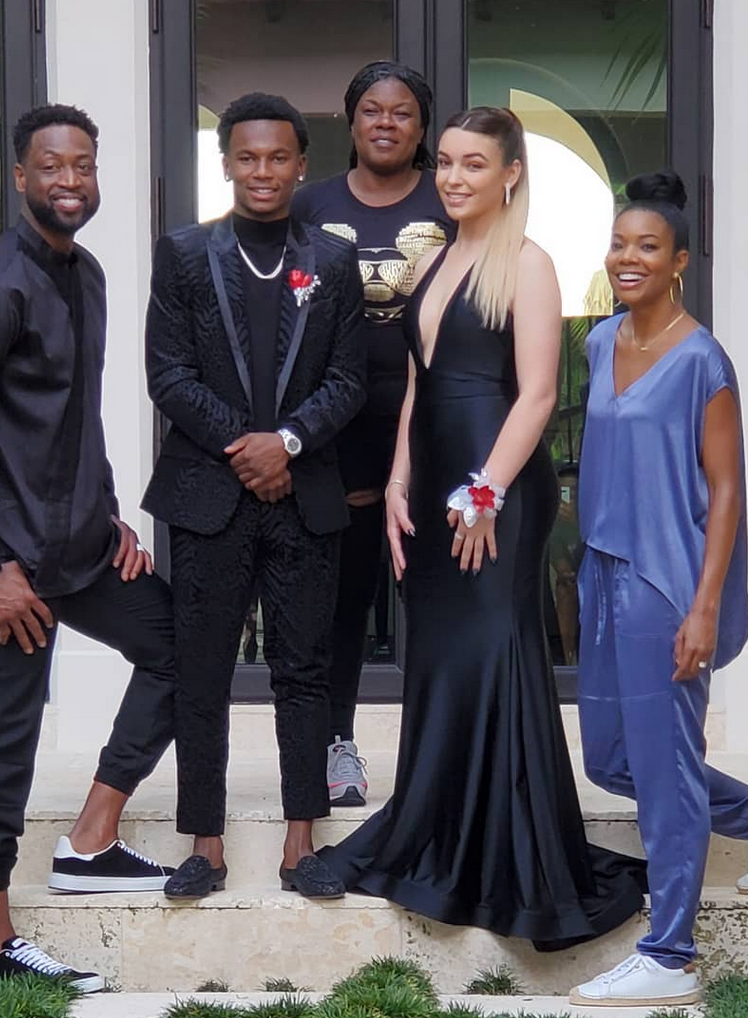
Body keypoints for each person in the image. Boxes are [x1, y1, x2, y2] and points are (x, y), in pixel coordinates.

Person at [318, 107, 647, 946]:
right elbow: (417, 385)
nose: (454, 177)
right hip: (433, 481)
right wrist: (398, 481)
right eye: (446, 163)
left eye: (473, 164)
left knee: (491, 649)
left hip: (493, 485)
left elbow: (536, 395)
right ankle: (439, 823)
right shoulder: (435, 258)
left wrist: (485, 492)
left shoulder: (528, 264)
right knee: (440, 656)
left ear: (509, 174)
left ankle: (505, 853)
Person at [0, 104, 178, 993]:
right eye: (53, 166)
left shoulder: (86, 275)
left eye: (84, 165)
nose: (71, 180)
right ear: (21, 177)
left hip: (81, 547)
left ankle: (92, 839)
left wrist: (110, 517)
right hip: (10, 566)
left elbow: (72, 422)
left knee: (183, 645)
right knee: (0, 745)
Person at [570, 171, 748, 1008]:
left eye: (647, 246)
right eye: (619, 244)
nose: (628, 258)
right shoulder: (598, 342)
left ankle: (670, 954)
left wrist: (704, 605)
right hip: (601, 570)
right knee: (613, 760)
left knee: (664, 767)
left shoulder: (700, 359)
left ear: (678, 261)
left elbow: (725, 490)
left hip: (666, 582)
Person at [143, 93, 365, 901]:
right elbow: (167, 374)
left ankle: (301, 845)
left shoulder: (332, 263)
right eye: (247, 157)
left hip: (305, 498)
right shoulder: (182, 255)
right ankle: (204, 844)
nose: (261, 171)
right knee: (201, 673)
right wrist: (249, 448)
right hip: (211, 497)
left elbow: (348, 378)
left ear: (301, 166)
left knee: (303, 671)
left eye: (277, 158)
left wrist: (289, 443)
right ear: (226, 163)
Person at [291, 61, 453, 807]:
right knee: (346, 594)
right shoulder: (310, 205)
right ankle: (337, 745)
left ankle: (443, 751)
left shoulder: (449, 200)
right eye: (372, 111)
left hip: (435, 420)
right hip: (340, 427)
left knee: (439, 591)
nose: (386, 123)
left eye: (402, 112)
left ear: (422, 127)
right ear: (351, 121)